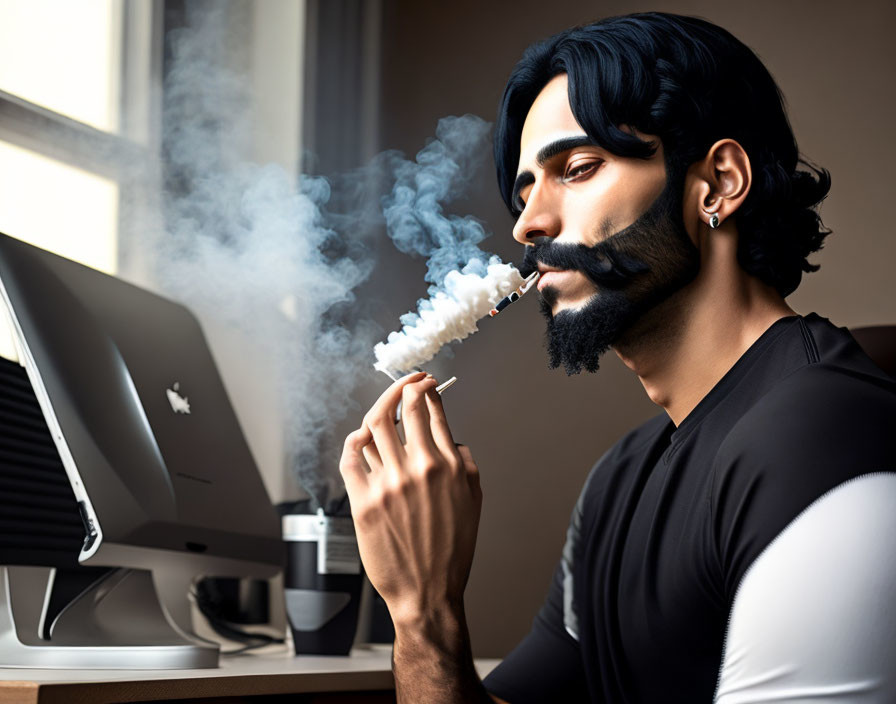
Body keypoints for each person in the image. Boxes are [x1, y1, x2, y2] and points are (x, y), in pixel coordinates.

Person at [340, 12, 896, 703]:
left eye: (576, 169)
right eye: (523, 192)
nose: (528, 224)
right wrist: (419, 604)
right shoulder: (620, 478)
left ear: (717, 184)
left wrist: (427, 618)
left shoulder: (822, 439)